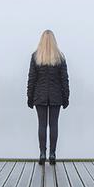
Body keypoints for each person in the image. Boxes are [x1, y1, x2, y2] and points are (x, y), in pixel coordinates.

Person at [27, 30, 69, 165]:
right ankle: (52, 154)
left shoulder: (36, 57)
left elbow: (32, 79)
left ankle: (42, 153)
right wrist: (66, 97)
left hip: (40, 96)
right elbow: (64, 79)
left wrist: (30, 97)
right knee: (54, 125)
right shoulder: (60, 57)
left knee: (42, 125)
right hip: (56, 96)